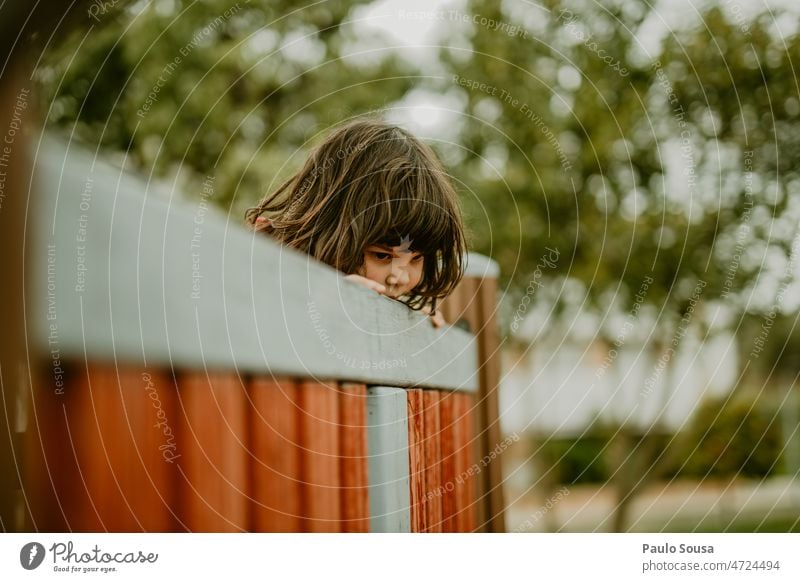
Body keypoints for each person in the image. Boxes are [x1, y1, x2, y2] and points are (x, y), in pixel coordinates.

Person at [245, 118, 467, 327]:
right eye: (382, 255)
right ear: (327, 229)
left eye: (417, 258)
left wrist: (410, 324)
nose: (401, 277)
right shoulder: (260, 271)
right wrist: (327, 300)